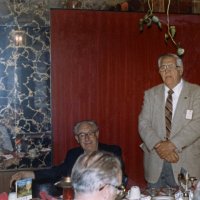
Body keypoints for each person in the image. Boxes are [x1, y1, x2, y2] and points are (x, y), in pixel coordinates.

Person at [139, 53, 200, 189]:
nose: (166, 70)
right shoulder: (150, 94)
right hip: (155, 162)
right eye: (162, 68)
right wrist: (160, 146)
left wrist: (172, 145)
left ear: (180, 70)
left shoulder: (196, 92)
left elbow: (197, 123)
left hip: (186, 163)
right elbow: (143, 123)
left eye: (170, 66)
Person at [10, 120, 127, 189]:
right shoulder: (73, 154)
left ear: (97, 134)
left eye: (90, 133)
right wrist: (27, 174)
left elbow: (116, 177)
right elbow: (56, 171)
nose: (86, 138)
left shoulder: (112, 151)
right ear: (77, 138)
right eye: (81, 135)